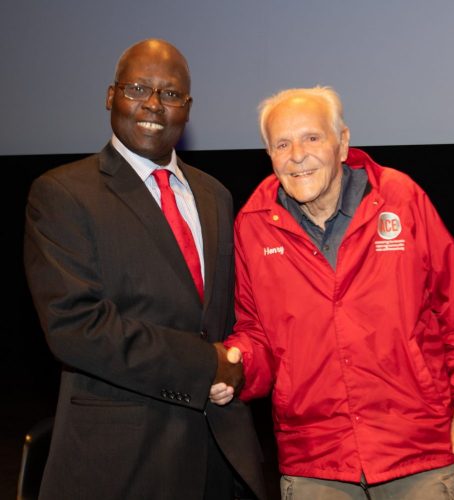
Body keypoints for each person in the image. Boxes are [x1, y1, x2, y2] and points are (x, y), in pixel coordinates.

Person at [210, 86, 454, 499]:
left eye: (312, 137)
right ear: (270, 156)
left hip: (418, 454)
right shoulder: (253, 226)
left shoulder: (401, 199)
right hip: (316, 461)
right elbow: (256, 334)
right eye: (282, 143)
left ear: (342, 143)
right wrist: (235, 369)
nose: (297, 154)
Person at [24, 38, 266, 500]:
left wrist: (242, 359)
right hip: (123, 464)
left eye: (171, 94)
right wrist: (205, 365)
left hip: (220, 455)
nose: (154, 104)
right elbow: (76, 327)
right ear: (110, 96)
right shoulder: (62, 194)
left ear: (188, 109)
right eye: (138, 88)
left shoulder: (215, 195)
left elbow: (228, 316)